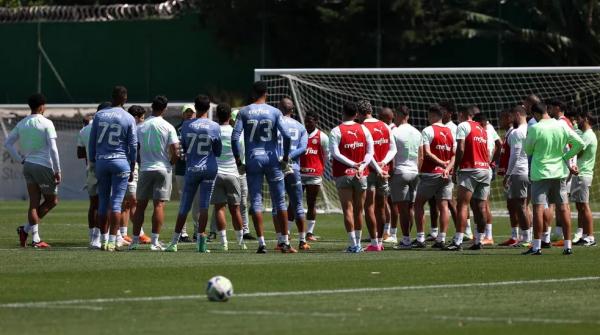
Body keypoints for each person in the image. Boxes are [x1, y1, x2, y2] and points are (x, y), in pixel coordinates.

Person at [232, 81, 295, 253]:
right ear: (266, 94)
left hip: (253, 159)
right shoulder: (274, 112)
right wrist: (286, 157)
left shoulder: (244, 111)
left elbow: (234, 137)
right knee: (280, 201)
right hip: (272, 158)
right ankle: (285, 241)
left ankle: (262, 243)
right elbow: (287, 136)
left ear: (252, 94)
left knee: (256, 201)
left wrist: (239, 162)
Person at [523, 102, 584, 255]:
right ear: (548, 111)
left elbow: (528, 150)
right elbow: (580, 143)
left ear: (536, 114)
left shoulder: (535, 128)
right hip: (559, 172)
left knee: (538, 208)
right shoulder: (561, 125)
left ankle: (536, 246)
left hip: (540, 173)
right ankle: (568, 245)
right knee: (563, 208)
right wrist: (566, 156)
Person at [6, 93, 61, 249]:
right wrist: (58, 170)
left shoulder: (22, 123)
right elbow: (53, 149)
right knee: (52, 201)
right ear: (42, 106)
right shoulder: (46, 123)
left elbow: (8, 144)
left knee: (34, 203)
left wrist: (20, 159)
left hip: (28, 165)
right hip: (43, 166)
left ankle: (26, 232)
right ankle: (33, 236)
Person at [168, 95, 221, 253]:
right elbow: (217, 151)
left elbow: (183, 147)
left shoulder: (186, 125)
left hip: (192, 168)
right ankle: (201, 242)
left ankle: (174, 242)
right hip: (210, 167)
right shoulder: (214, 126)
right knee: (204, 206)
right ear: (208, 108)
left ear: (196, 107)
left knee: (185, 205)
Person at [88, 86, 137, 251]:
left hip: (102, 162)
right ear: (125, 99)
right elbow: (133, 145)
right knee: (116, 203)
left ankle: (102, 240)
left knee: (102, 202)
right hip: (120, 161)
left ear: (112, 97)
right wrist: (132, 164)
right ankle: (113, 240)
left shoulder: (99, 115)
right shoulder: (129, 117)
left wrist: (93, 162)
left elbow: (92, 142)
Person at [130, 96, 179, 251]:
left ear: (151, 107)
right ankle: (154, 242)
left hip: (145, 168)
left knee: (140, 206)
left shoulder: (141, 127)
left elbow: (133, 147)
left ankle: (135, 241)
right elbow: (175, 150)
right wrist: (171, 163)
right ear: (165, 109)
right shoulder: (168, 126)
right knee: (159, 205)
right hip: (163, 168)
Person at [329, 101, 374, 253]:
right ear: (356, 114)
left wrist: (352, 164)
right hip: (361, 174)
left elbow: (335, 153)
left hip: (343, 173)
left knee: (348, 209)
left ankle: (353, 244)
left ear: (342, 112)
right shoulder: (364, 129)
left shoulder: (336, 130)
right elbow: (370, 153)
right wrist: (360, 166)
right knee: (359, 210)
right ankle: (358, 244)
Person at [202, 103, 247, 252]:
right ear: (230, 116)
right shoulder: (236, 132)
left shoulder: (213, 131)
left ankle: (224, 243)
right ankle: (241, 242)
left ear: (216, 116)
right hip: (233, 173)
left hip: (216, 174)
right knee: (235, 209)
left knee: (219, 208)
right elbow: (241, 153)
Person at [410, 105, 454, 249]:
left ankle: (421, 238)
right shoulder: (450, 131)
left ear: (433, 115)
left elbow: (426, 153)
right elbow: (454, 155)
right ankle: (441, 239)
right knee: (444, 206)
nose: (427, 118)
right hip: (446, 175)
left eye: (429, 115)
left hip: (431, 174)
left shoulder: (428, 130)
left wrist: (440, 164)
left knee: (418, 204)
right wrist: (447, 168)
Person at [447, 105, 491, 251]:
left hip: (470, 169)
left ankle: (458, 241)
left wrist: (456, 168)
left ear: (462, 114)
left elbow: (460, 148)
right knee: (481, 207)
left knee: (463, 205)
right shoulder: (482, 129)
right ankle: (478, 240)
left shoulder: (463, 126)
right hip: (484, 169)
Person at [357, 100, 396, 251]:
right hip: (384, 170)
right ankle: (379, 240)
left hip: (370, 172)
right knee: (381, 206)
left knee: (369, 207)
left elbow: (368, 152)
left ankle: (374, 243)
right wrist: (383, 162)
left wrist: (377, 166)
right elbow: (393, 149)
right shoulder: (384, 125)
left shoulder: (362, 127)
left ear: (360, 114)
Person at [76, 101, 111, 249]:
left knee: (94, 204)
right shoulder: (111, 127)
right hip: (108, 166)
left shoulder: (84, 130)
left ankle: (93, 238)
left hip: (91, 168)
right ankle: (104, 237)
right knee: (107, 204)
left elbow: (79, 153)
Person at [278, 97, 310, 250]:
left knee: (278, 204)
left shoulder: (276, 124)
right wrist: (290, 157)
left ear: (279, 108)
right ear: (292, 110)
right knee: (297, 204)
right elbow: (303, 148)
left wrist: (282, 158)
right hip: (294, 168)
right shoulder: (300, 127)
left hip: (277, 167)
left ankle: (281, 240)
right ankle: (303, 241)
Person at [390, 106, 422, 249]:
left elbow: (392, 154)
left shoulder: (394, 131)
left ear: (397, 115)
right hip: (414, 172)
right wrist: (418, 171)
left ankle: (406, 240)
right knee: (411, 208)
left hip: (400, 171)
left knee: (402, 209)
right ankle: (416, 237)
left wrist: (390, 173)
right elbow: (421, 155)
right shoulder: (417, 132)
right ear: (408, 116)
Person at [501, 106, 531, 247]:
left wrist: (507, 174)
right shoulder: (532, 129)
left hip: (519, 171)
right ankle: (531, 237)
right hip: (532, 171)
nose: (511, 118)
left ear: (517, 114)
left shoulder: (517, 132)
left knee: (520, 206)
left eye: (512, 115)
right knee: (526, 206)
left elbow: (515, 155)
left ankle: (526, 239)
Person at [548, 98, 575, 246]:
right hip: (564, 168)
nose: (549, 110)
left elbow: (572, 145)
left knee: (556, 204)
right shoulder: (564, 122)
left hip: (560, 169)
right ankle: (560, 235)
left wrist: (571, 165)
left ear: (557, 108)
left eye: (551, 107)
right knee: (560, 204)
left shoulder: (561, 123)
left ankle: (555, 237)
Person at [299, 111, 329, 241]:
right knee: (294, 203)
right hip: (298, 174)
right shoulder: (300, 134)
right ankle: (287, 231)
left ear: (316, 121)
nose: (307, 123)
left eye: (310, 121)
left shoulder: (322, 137)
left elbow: (327, 155)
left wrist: (318, 167)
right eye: (306, 121)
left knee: (312, 203)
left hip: (314, 175)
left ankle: (309, 233)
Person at [571, 111, 597, 246]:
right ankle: (584, 235)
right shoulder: (587, 135)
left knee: (584, 206)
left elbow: (578, 152)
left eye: (579, 118)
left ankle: (590, 237)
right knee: (580, 206)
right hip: (580, 174)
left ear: (585, 119)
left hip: (583, 174)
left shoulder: (587, 135)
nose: (577, 121)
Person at [174, 103, 196, 242]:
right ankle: (183, 233)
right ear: (183, 114)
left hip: (195, 168)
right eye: (187, 112)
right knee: (184, 201)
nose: (189, 114)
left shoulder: (197, 128)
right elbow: (179, 152)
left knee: (198, 202)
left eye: (191, 112)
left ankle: (198, 231)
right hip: (183, 169)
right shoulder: (178, 129)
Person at [378, 106, 399, 243]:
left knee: (391, 202)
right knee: (385, 201)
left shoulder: (393, 130)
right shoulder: (383, 128)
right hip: (385, 168)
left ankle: (392, 232)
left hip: (390, 169)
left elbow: (396, 151)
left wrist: (393, 168)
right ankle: (384, 231)